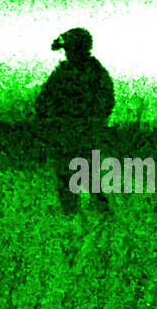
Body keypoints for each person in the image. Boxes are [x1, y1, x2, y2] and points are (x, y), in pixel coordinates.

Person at [35, 27, 114, 214]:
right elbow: (44, 101)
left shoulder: (95, 73)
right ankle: (71, 217)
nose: (67, 52)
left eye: (69, 48)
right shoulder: (64, 72)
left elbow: (106, 102)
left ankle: (102, 216)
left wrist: (88, 121)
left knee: (89, 177)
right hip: (64, 136)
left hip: (85, 135)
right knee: (65, 179)